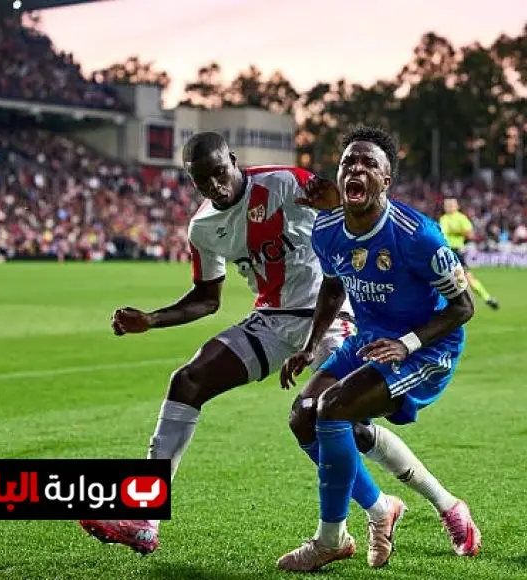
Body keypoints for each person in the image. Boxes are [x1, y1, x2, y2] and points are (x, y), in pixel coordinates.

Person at [79, 132, 464, 557]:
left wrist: (339, 199)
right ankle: (144, 516)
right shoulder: (203, 227)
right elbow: (207, 299)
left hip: (337, 316)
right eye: (201, 180)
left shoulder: (283, 182)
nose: (214, 186)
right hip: (274, 320)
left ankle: (418, 507)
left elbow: (348, 202)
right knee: (188, 381)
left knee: (331, 417)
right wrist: (152, 319)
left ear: (234, 159)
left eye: (219, 172)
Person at [277, 127, 481, 572]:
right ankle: (421, 507)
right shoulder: (327, 228)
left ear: (386, 181)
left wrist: (407, 344)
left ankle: (330, 539)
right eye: (350, 161)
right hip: (368, 340)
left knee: (333, 410)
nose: (357, 168)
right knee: (304, 417)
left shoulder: (419, 236)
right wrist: (311, 346)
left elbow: (464, 307)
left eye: (370, 163)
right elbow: (333, 287)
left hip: (426, 349)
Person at [438, 198, 499, 309]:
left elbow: (470, 234)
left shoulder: (461, 218)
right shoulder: (443, 219)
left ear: (457, 206)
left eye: (451, 205)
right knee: (439, 279)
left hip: (456, 251)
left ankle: (487, 298)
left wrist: (456, 231)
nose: (449, 207)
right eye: (447, 205)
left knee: (467, 278)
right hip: (443, 251)